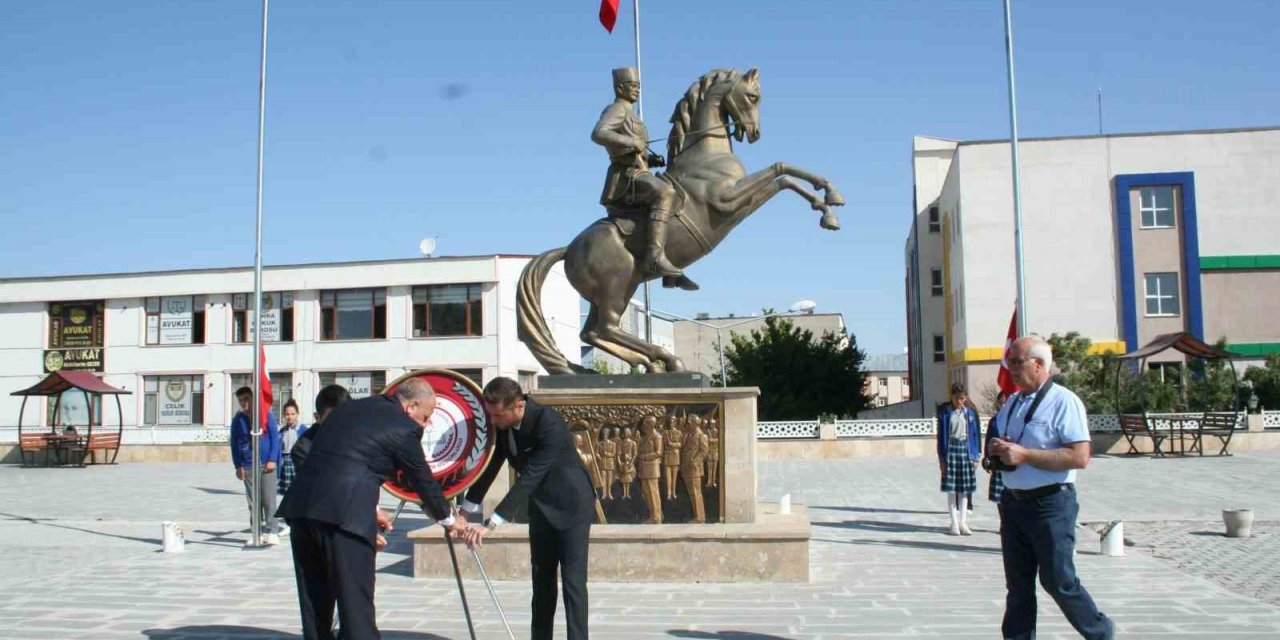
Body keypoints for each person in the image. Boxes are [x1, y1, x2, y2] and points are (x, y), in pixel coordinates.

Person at [277, 378, 466, 640]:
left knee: (314, 603)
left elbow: (329, 455)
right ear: (411, 406)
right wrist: (449, 519)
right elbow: (421, 478)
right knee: (356, 606)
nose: (428, 423)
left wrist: (371, 509)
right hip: (345, 519)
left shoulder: (348, 409)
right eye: (426, 416)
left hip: (302, 511)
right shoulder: (403, 426)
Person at [990, 336, 1114, 640]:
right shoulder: (1013, 403)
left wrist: (1025, 455)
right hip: (1014, 503)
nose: (1011, 369)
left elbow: (1079, 456)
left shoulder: (1064, 401)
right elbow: (1012, 443)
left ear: (1039, 364)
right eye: (1008, 362)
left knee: (1058, 579)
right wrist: (998, 450)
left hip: (1050, 504)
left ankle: (1100, 632)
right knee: (1018, 585)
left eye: (1017, 362)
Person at [459, 377, 596, 640]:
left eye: (498, 415)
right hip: (541, 509)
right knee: (541, 582)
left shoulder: (549, 422)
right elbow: (490, 468)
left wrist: (491, 523)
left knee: (573, 584)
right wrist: (465, 511)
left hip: (571, 507)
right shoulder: (503, 426)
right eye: (492, 415)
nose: (494, 421)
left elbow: (531, 475)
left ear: (519, 406)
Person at [592, 67, 697, 291]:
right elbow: (599, 133)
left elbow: (637, 150)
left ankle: (671, 265)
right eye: (633, 86)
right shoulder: (617, 109)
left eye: (639, 86)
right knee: (665, 193)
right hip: (626, 177)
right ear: (620, 88)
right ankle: (655, 257)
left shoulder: (631, 114)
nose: (637, 90)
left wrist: (651, 158)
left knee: (677, 194)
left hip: (640, 171)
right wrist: (631, 142)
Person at [230, 386, 283, 545]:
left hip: (267, 464)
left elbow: (275, 438)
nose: (244, 403)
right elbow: (234, 443)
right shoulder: (238, 420)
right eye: (240, 400)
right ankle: (256, 532)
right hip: (248, 465)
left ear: (253, 398)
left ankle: (273, 531)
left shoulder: (265, 415)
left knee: (268, 499)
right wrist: (237, 465)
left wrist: (272, 459)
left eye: (246, 399)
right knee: (253, 502)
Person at [936, 384, 981, 536]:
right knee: (951, 490)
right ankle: (953, 523)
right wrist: (942, 459)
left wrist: (975, 456)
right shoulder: (945, 414)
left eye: (962, 398)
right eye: (956, 398)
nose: (959, 401)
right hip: (951, 451)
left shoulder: (969, 414)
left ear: (965, 398)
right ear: (952, 397)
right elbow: (941, 437)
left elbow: (974, 435)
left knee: (964, 490)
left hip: (965, 451)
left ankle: (963, 522)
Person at [290, 384, 350, 471]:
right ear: (317, 417)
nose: (340, 424)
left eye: (345, 417)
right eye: (333, 419)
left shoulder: (364, 437)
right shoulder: (304, 449)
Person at [984, 391, 1010, 507]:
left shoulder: (1015, 420)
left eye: (1006, 402)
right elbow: (988, 440)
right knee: (999, 498)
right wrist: (987, 459)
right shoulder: (994, 421)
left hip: (1011, 461)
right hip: (998, 462)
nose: (1003, 405)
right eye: (1001, 403)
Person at [277, 399, 307, 496]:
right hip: (285, 463)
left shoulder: (304, 430)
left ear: (297, 414)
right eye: (287, 414)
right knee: (287, 493)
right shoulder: (282, 431)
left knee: (299, 491)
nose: (290, 417)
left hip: (298, 462)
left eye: (292, 414)